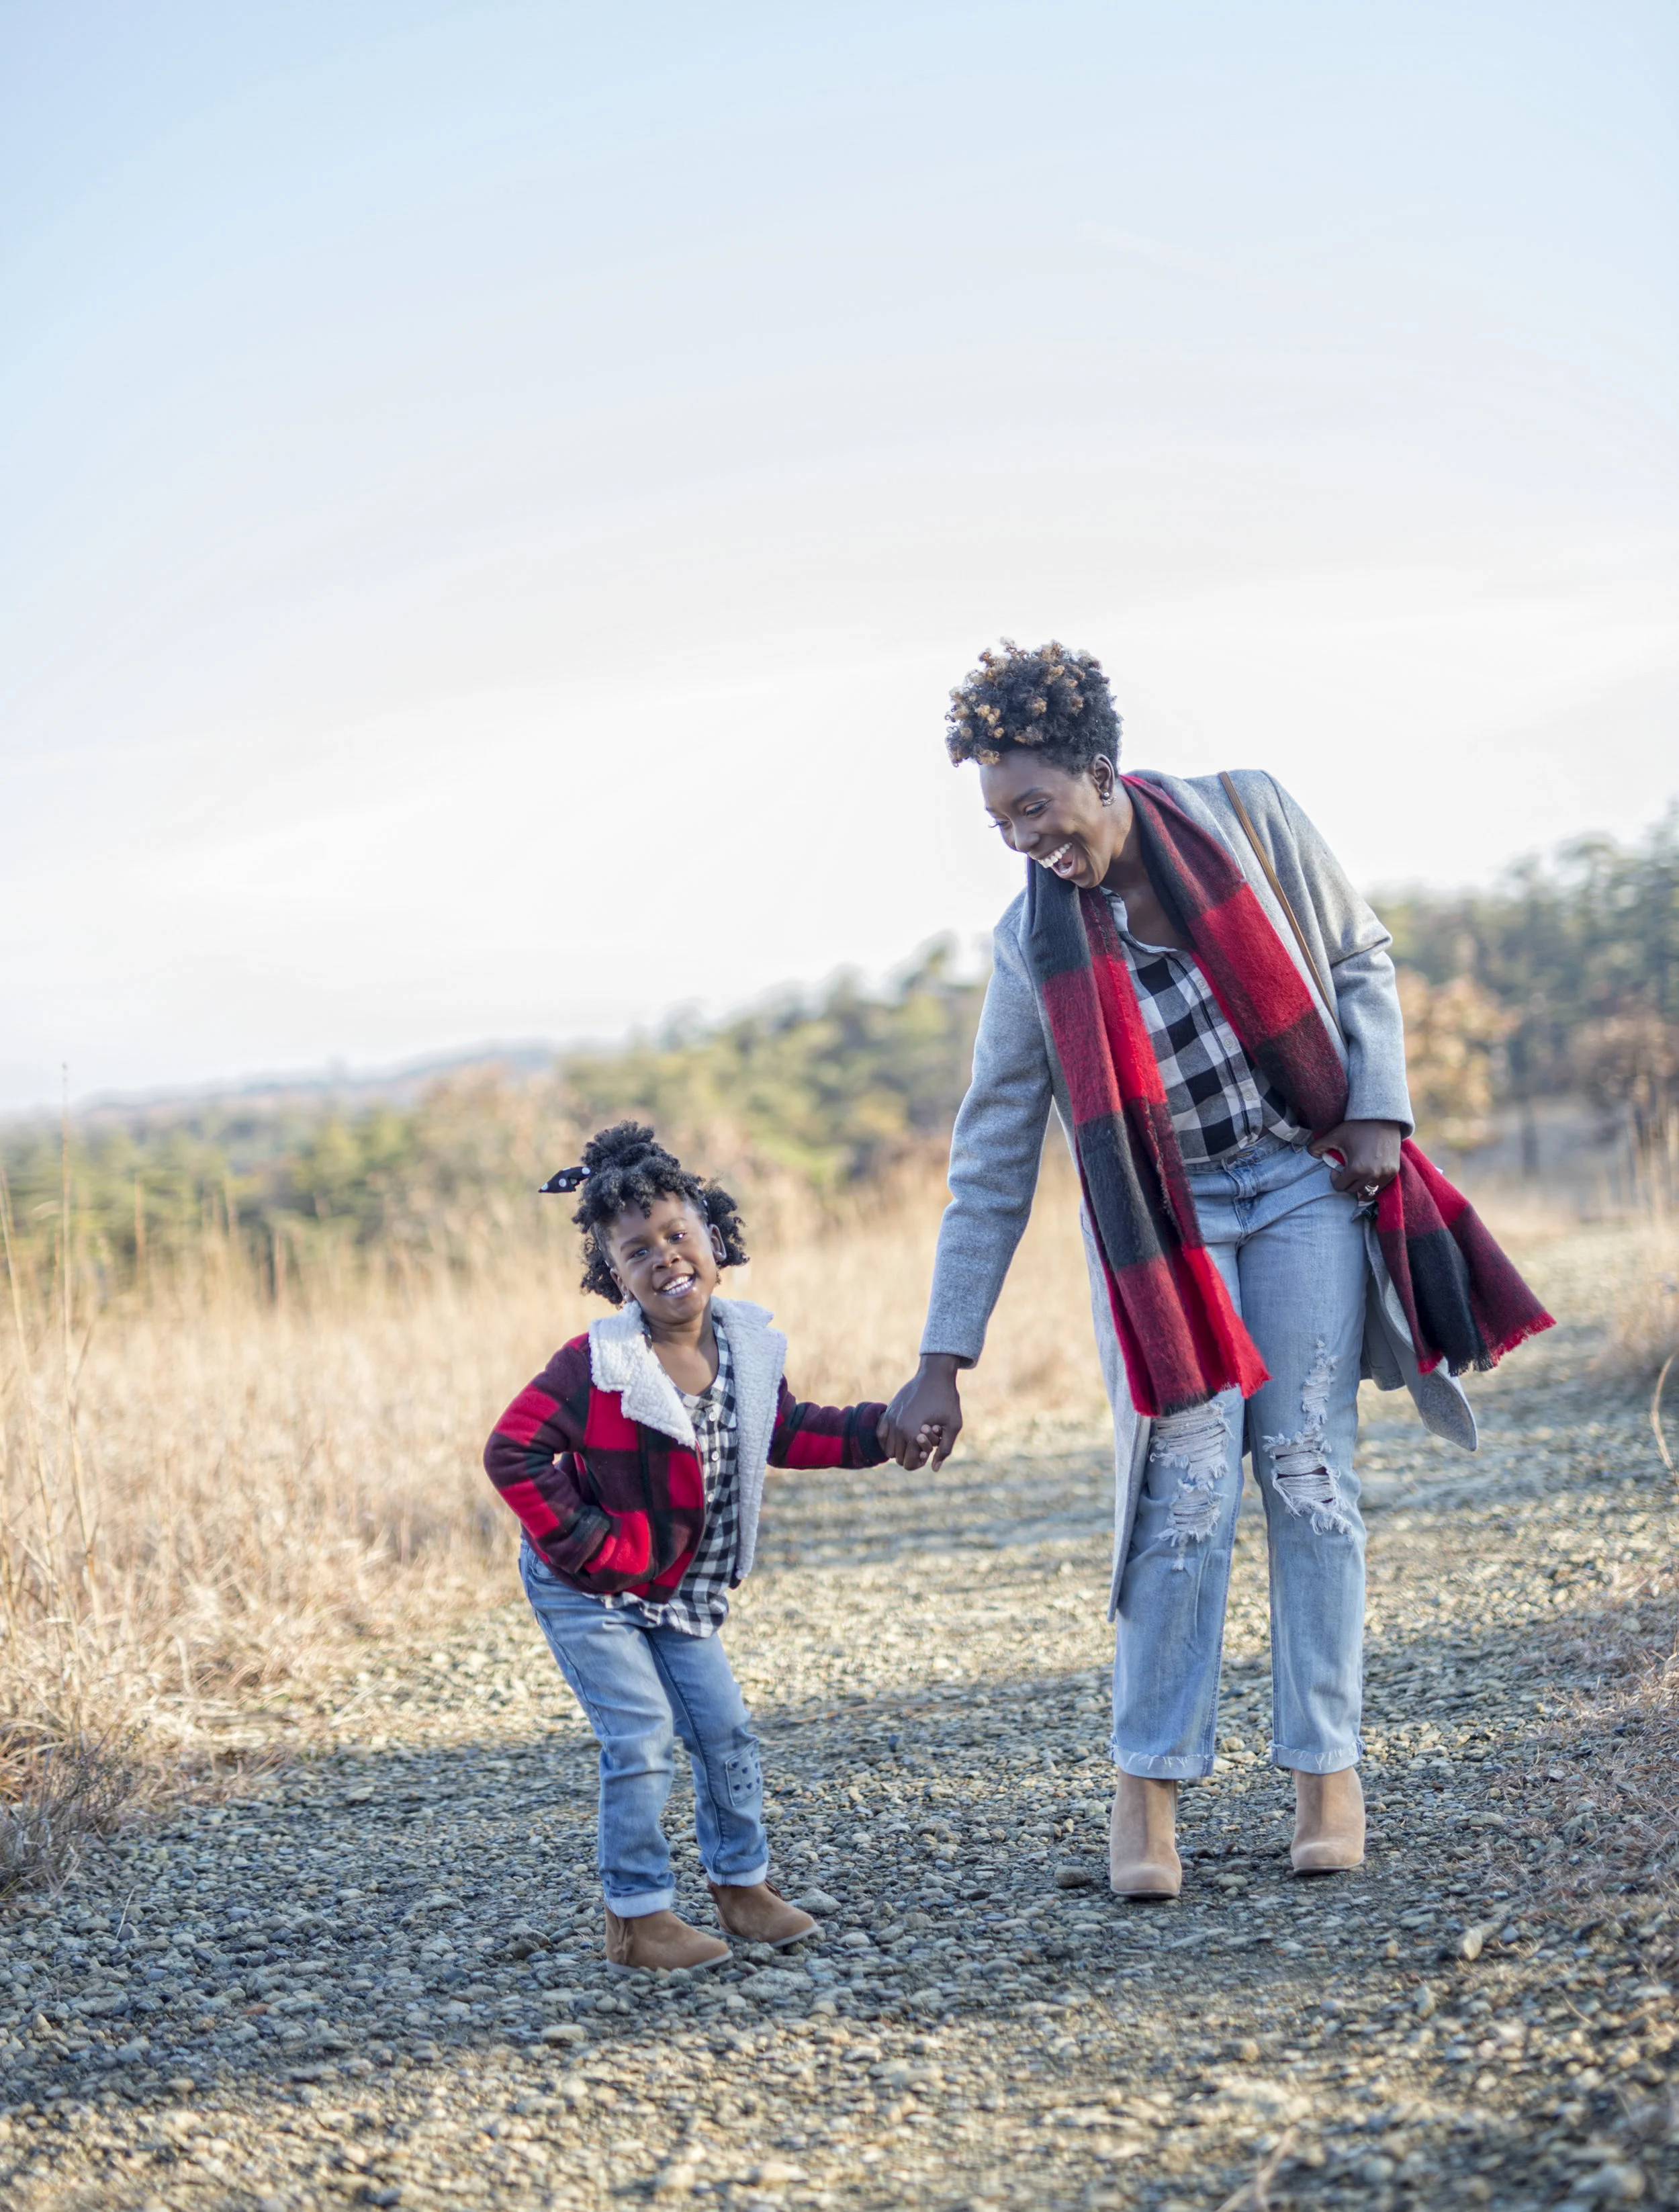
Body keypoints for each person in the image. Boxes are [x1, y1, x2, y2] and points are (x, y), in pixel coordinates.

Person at [882, 641, 1550, 1899]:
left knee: (1306, 1468)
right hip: (1166, 1224)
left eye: (1036, 805)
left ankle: (1326, 1766)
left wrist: (1379, 1112)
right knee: (1183, 1489)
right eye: (997, 817)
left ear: (1100, 768)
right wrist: (943, 1353)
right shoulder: (1032, 944)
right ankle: (1149, 1788)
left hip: (1301, 1177)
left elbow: (1358, 956)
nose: (1022, 836)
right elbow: (994, 1148)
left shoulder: (1249, 815)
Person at [485, 1122, 898, 1971]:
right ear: (614, 1275)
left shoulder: (746, 1344)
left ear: (713, 1233)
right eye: (637, 1250)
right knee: (639, 1736)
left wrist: (885, 1429)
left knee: (725, 1731)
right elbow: (512, 1450)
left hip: (680, 1587)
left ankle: (742, 1887)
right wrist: (593, 1544)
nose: (665, 1256)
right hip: (588, 1584)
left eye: (678, 1233)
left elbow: (786, 1430)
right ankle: (637, 1916)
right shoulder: (599, 1364)